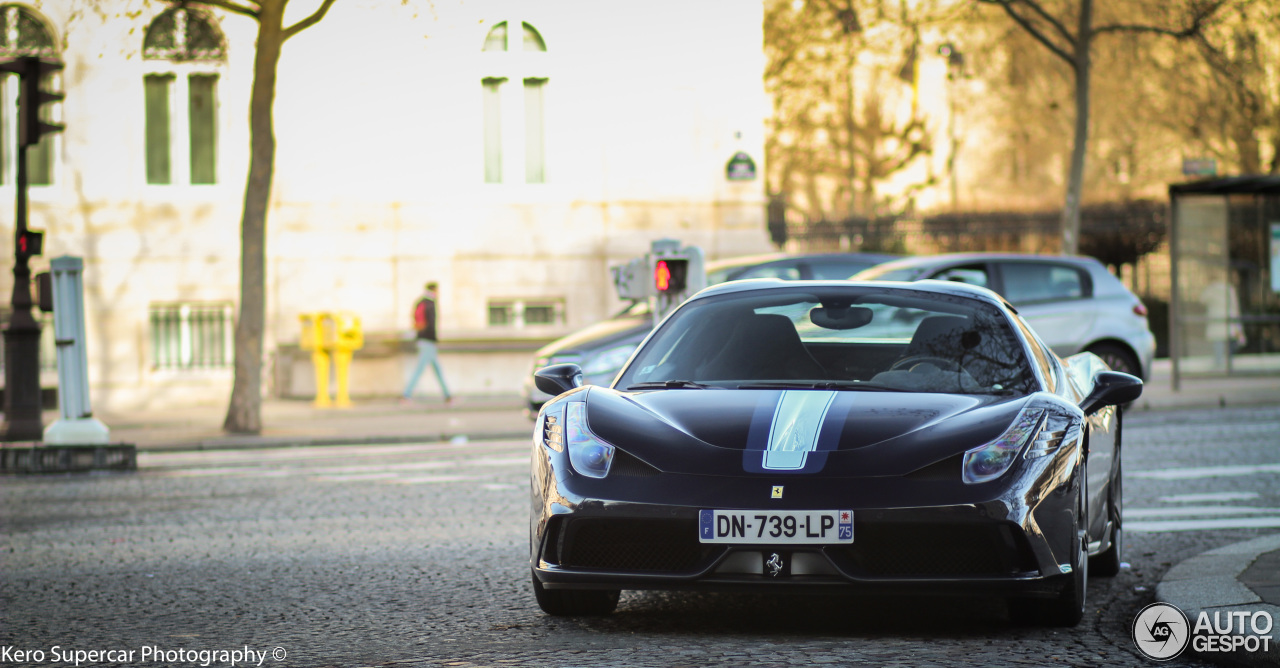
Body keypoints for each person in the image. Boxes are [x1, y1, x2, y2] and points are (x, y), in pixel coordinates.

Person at [402, 282, 453, 405]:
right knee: (420, 369)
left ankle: (448, 395)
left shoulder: (420, 302)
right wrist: (434, 338)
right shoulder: (430, 304)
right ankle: (406, 395)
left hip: (423, 339)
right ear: (434, 290)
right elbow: (431, 325)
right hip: (428, 341)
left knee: (437, 369)